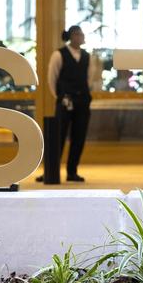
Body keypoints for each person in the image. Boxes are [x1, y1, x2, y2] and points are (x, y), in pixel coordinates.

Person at [37, 25, 94, 182]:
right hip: (64, 100)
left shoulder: (87, 56)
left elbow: (89, 78)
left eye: (82, 34)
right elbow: (52, 78)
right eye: (78, 34)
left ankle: (72, 171)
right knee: (58, 136)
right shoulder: (59, 54)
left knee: (79, 136)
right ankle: (50, 171)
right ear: (71, 36)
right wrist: (59, 96)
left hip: (82, 101)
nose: (81, 37)